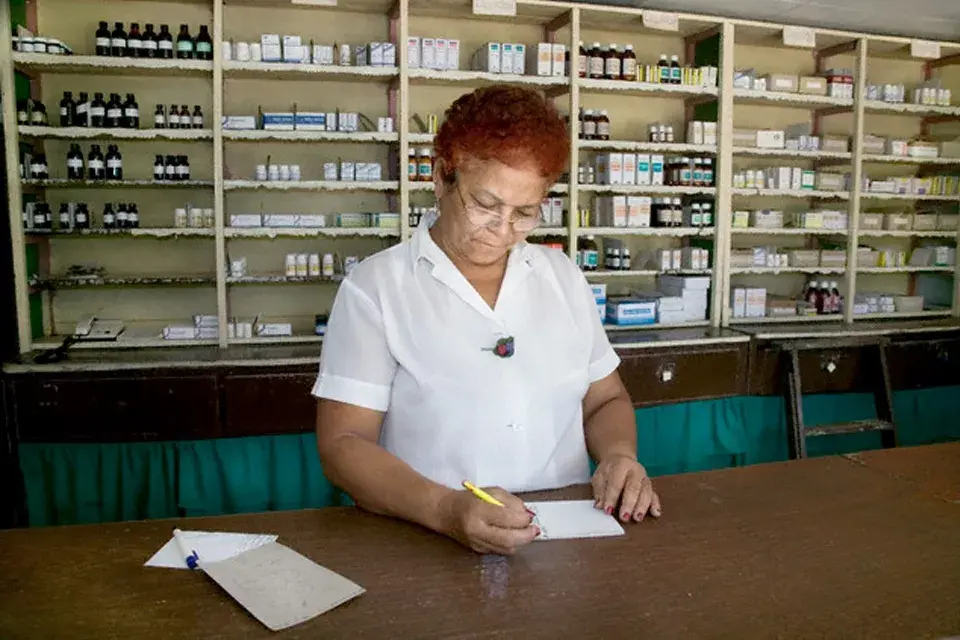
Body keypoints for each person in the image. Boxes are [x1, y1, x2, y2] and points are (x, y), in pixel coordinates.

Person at [313, 85, 660, 555]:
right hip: (430, 541)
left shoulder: (561, 276)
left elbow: (606, 399)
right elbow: (344, 444)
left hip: (567, 536)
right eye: (485, 204)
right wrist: (445, 509)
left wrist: (620, 456)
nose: (501, 230)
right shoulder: (377, 288)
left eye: (524, 212)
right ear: (441, 177)